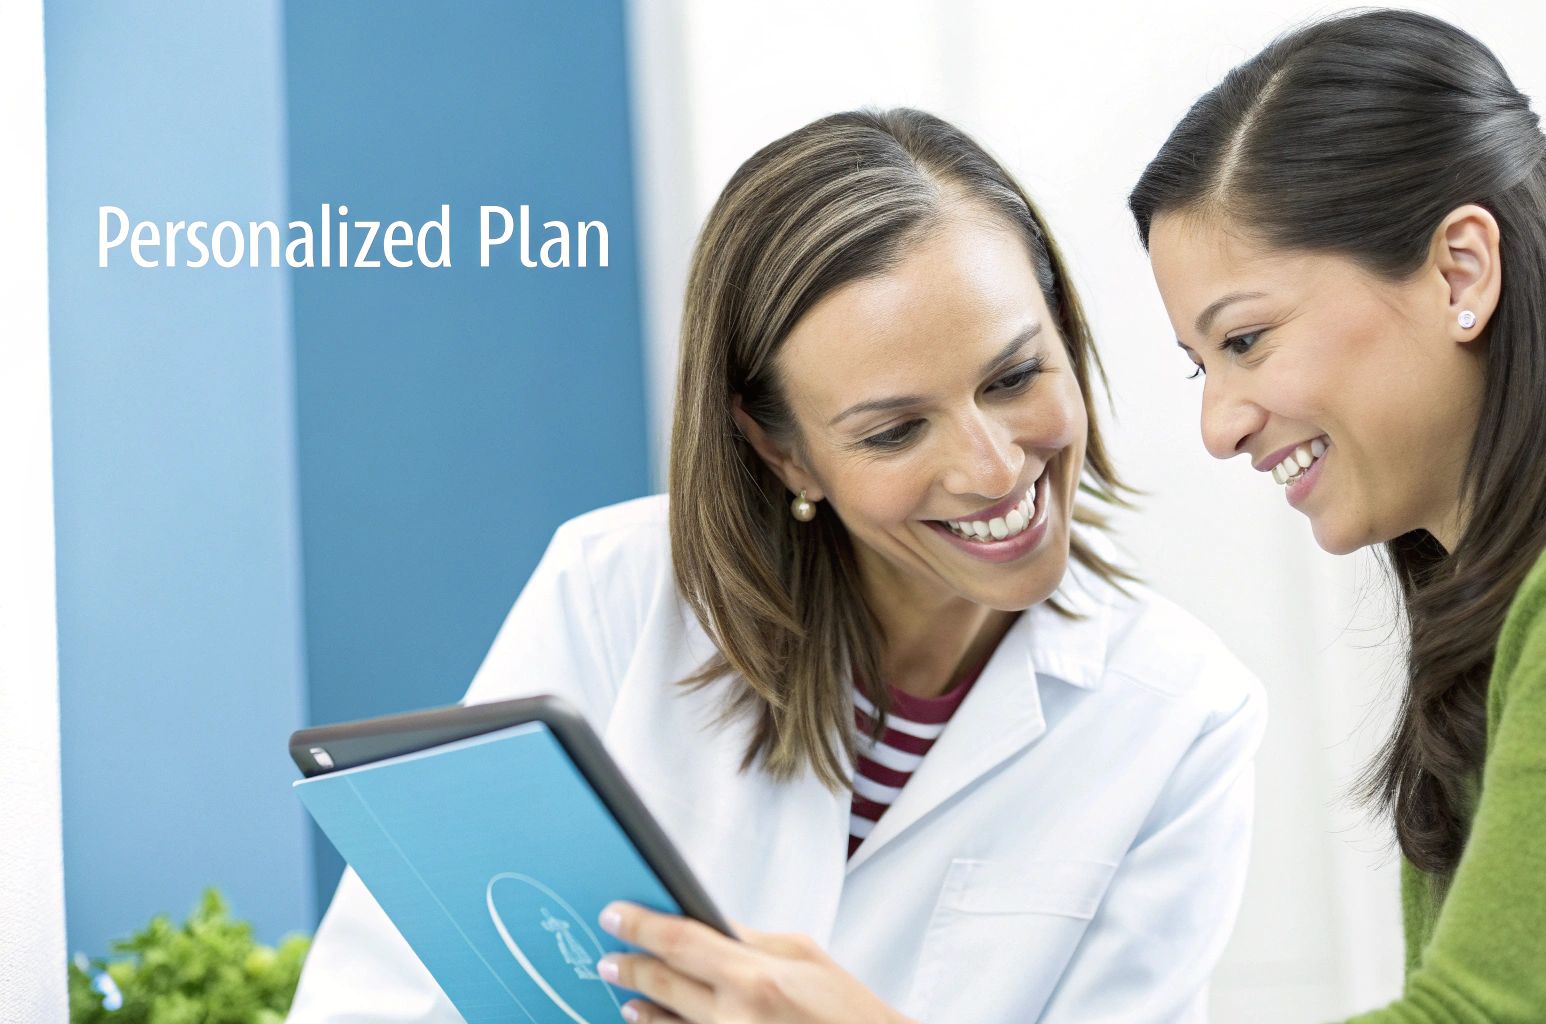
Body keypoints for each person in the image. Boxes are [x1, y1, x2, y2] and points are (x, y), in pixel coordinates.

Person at [593, 11, 1546, 1024]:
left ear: (1459, 270)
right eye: (1198, 364)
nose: (1219, 425)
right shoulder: (1513, 608)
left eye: (1245, 340)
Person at [285, 108, 1265, 1024]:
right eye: (894, 431)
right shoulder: (616, 589)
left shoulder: (1180, 713)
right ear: (782, 451)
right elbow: (368, 1000)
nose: (993, 468)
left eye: (1013, 377)